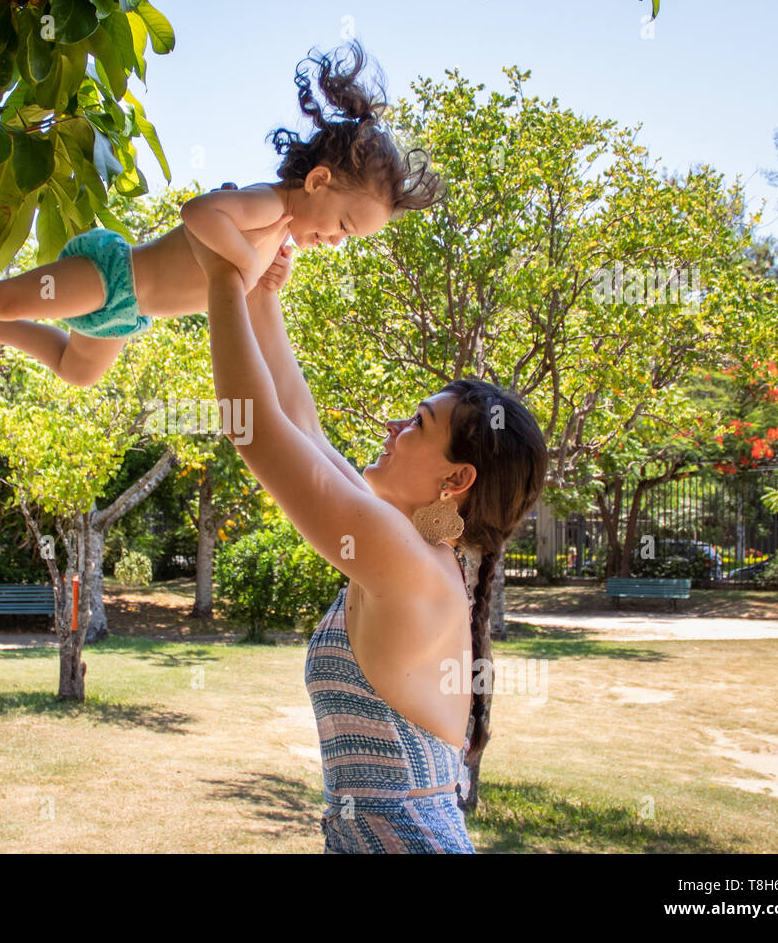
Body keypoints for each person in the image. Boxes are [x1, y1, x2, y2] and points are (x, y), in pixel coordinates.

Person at [186, 216, 548, 853]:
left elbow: (254, 431)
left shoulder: (404, 558)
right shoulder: (409, 550)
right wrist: (261, 297)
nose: (391, 425)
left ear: (456, 478)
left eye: (416, 422)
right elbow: (300, 424)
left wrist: (221, 275)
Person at [0, 39, 442, 387]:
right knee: (4, 295)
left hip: (126, 316)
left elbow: (237, 291)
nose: (334, 241)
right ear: (318, 180)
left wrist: (265, 277)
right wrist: (246, 262)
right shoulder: (266, 203)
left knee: (76, 371)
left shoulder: (278, 233)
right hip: (112, 275)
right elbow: (199, 212)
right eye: (342, 226)